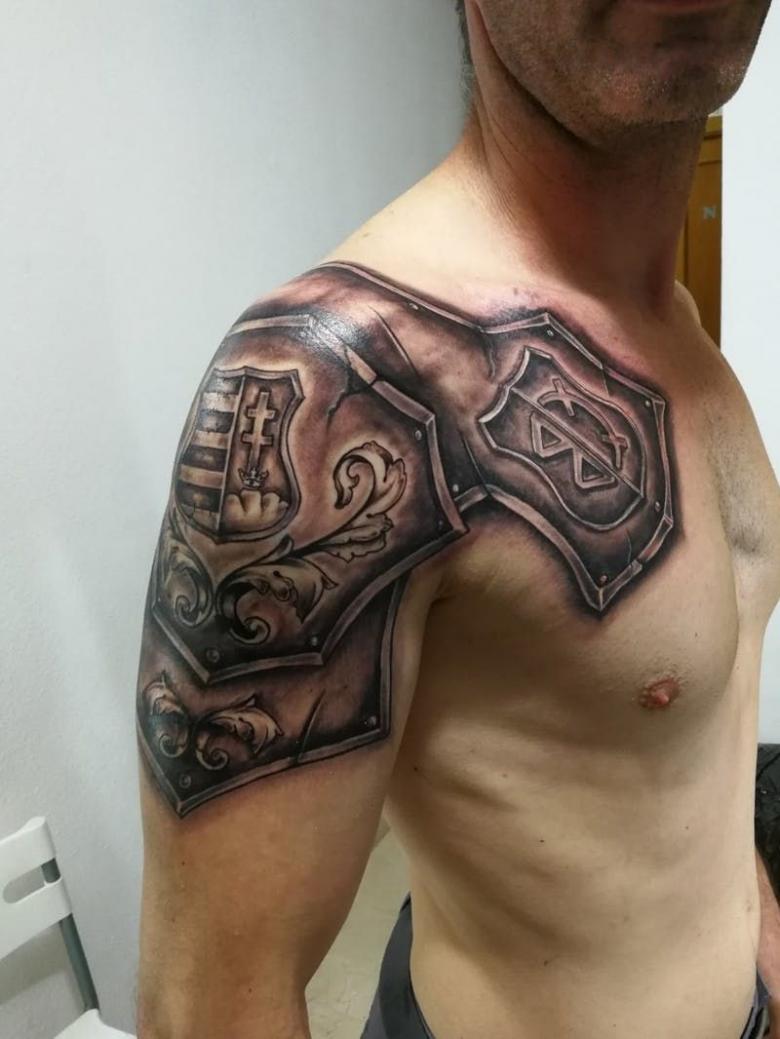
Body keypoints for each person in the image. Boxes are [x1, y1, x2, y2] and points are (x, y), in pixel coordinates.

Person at [135, 0, 780, 1036]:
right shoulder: (336, 383)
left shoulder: (680, 330)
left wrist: (760, 938)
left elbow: (690, 750)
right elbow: (202, 1004)